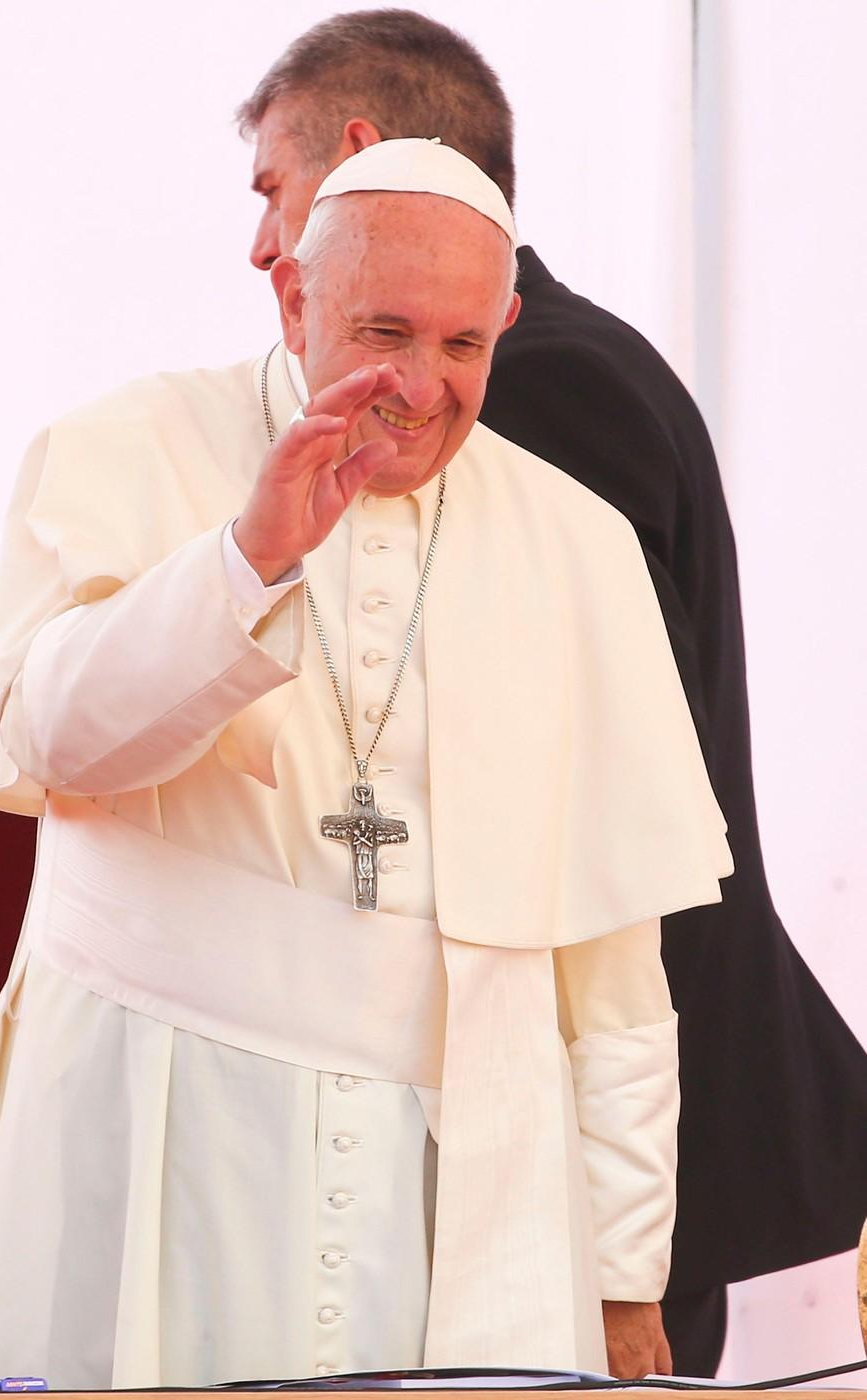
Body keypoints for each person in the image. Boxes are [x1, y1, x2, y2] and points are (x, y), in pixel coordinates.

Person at [0, 140, 733, 1385]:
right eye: (384, 332)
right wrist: (244, 560)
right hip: (157, 1117)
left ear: (506, 326)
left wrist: (626, 1274)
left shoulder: (578, 542)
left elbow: (618, 975)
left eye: (462, 345)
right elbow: (49, 740)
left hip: (462, 1172)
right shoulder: (124, 442)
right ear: (294, 298)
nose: (420, 387)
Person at [237, 8, 867, 1376]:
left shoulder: (539, 392)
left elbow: (580, 788)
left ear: (359, 153)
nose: (258, 244)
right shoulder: (571, 359)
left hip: (607, 1111)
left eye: (271, 189)